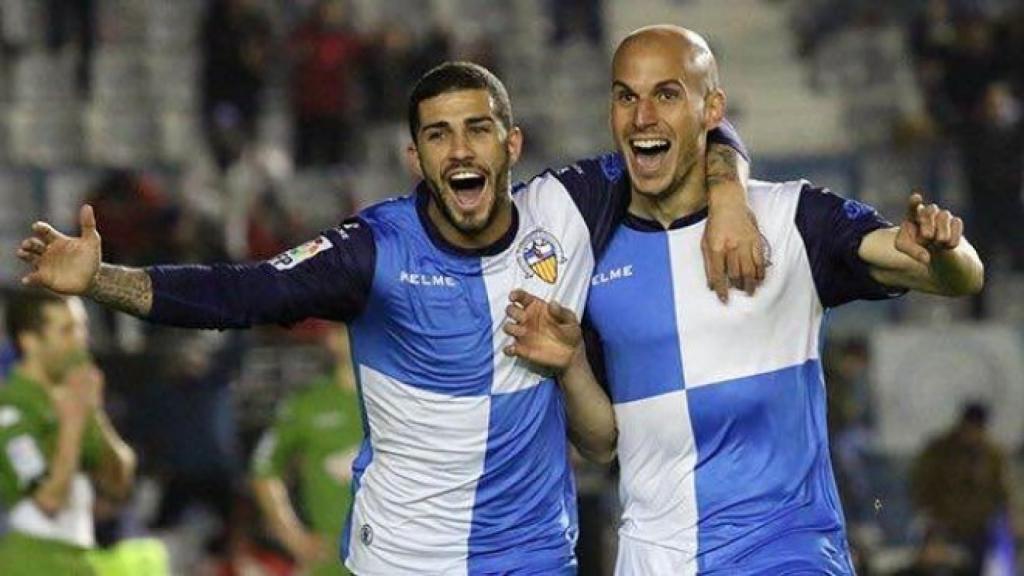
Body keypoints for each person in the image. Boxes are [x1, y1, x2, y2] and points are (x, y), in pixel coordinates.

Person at [16, 61, 761, 573]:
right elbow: (241, 293)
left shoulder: (567, 207)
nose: (460, 149)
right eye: (438, 134)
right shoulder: (373, 250)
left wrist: (727, 195)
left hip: (531, 556)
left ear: (512, 144)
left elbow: (695, 134)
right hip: (404, 560)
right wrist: (100, 280)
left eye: (477, 129)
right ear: (416, 157)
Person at [502, 26, 985, 575]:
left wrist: (945, 250)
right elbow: (603, 444)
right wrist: (570, 365)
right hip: (656, 559)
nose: (642, 117)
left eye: (666, 95)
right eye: (626, 97)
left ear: (712, 110)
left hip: (787, 553)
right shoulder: (593, 249)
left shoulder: (791, 218)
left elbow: (957, 278)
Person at [0, 291, 137, 575]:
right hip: (31, 562)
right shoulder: (11, 409)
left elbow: (119, 483)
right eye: (67, 330)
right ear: (30, 341)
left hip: (79, 558)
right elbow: (47, 503)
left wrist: (94, 411)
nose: (81, 340)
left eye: (82, 327)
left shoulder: (71, 398)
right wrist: (73, 422)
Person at [251, 325, 362, 576]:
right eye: (347, 329)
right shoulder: (307, 404)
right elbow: (263, 467)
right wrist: (292, 535)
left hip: (400, 552)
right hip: (331, 557)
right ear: (331, 339)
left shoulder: (406, 401)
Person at [909, 402, 1011, 574]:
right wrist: (928, 514)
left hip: (978, 529)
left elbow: (1004, 489)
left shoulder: (992, 455)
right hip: (944, 528)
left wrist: (1010, 516)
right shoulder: (940, 450)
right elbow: (921, 483)